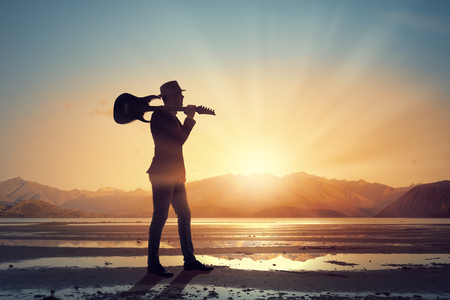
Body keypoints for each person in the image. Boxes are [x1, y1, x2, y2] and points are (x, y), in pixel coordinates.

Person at [146, 80, 214, 277]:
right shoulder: (159, 115)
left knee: (184, 215)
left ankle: (190, 261)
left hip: (175, 175)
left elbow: (177, 147)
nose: (182, 97)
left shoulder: (172, 118)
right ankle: (153, 264)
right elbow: (179, 140)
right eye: (178, 95)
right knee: (160, 217)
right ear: (169, 98)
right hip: (162, 173)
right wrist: (190, 119)